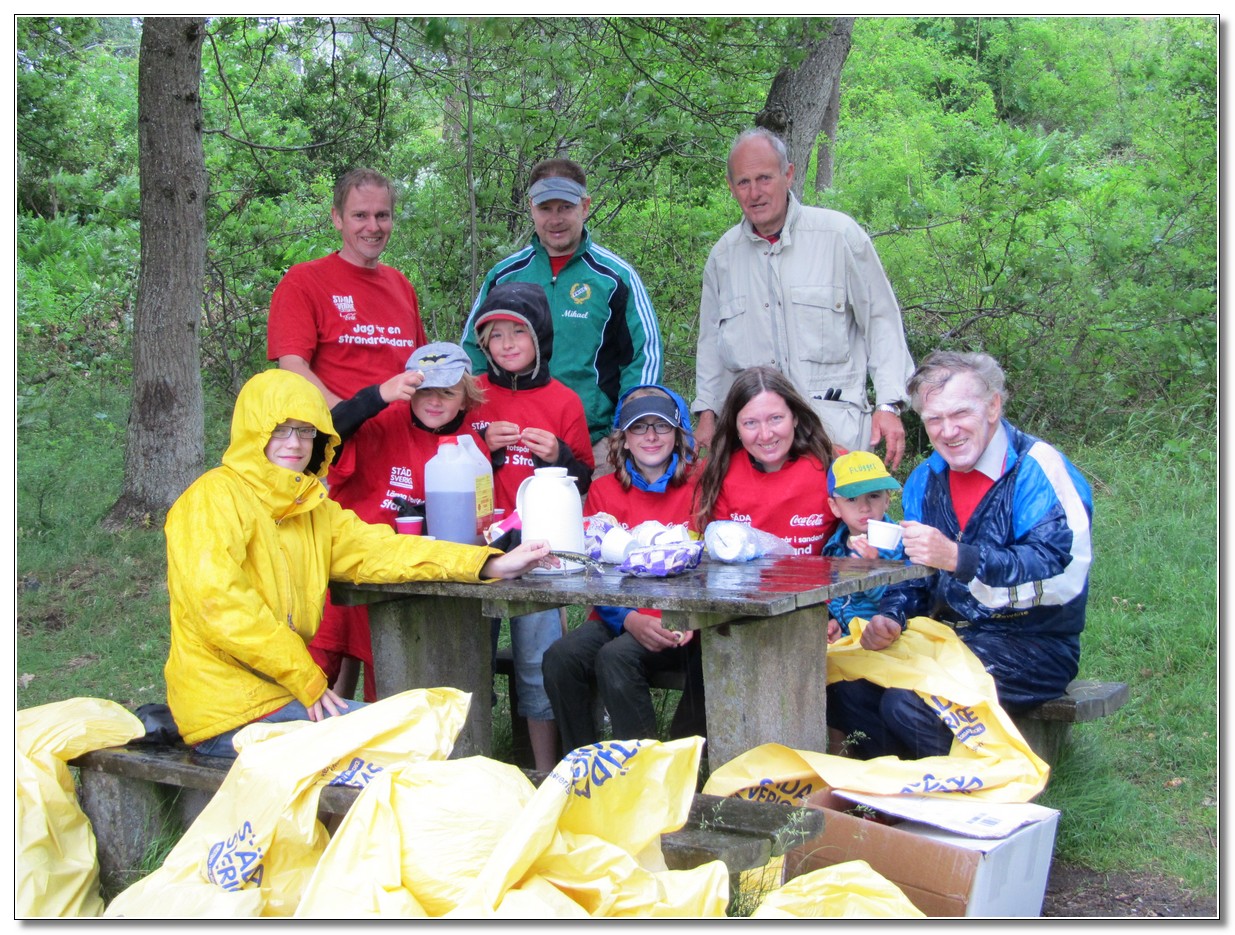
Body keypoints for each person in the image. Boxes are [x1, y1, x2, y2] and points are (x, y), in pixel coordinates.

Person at [163, 368, 554, 758]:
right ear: (253, 432)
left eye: (306, 430)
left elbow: (385, 550)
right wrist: (306, 677)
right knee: (405, 749)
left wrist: (487, 563)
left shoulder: (312, 510)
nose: (295, 443)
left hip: (283, 697)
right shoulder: (211, 499)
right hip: (228, 712)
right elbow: (222, 606)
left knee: (426, 736)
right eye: (280, 429)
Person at [826, 351, 1094, 760]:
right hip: (947, 636)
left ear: (993, 406)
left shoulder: (1039, 468)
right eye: (934, 420)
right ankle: (895, 796)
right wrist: (891, 617)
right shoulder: (925, 479)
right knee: (845, 690)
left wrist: (960, 558)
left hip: (1035, 643)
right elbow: (914, 574)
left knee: (909, 704)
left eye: (960, 414)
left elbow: (1060, 574)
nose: (948, 431)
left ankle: (973, 796)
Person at [692, 128, 915, 470]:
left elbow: (881, 321)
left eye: (764, 178)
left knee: (845, 523)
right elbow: (711, 347)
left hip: (835, 437)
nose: (755, 193)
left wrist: (888, 404)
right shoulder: (723, 257)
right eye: (743, 182)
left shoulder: (839, 237)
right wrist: (708, 412)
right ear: (731, 186)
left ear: (789, 174)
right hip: (757, 447)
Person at [308, 343, 488, 703]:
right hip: (349, 567)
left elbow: (477, 522)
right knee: (313, 667)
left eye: (447, 393)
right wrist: (376, 396)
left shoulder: (471, 448)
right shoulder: (380, 422)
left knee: (392, 676)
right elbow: (321, 442)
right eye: (423, 391)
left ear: (465, 398)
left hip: (412, 579)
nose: (433, 402)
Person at [459, 158, 663, 469]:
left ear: (585, 205)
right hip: (510, 443)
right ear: (531, 208)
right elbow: (471, 353)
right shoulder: (505, 276)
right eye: (546, 208)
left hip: (595, 445)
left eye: (565, 207)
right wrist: (478, 423)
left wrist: (626, 428)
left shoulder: (614, 278)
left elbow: (644, 357)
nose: (555, 219)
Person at [466, 281, 595, 771]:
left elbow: (583, 478)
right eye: (495, 336)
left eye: (516, 332)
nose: (506, 344)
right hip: (482, 547)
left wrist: (558, 456)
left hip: (543, 551)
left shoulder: (564, 401)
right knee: (466, 658)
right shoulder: (474, 396)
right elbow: (449, 461)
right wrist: (484, 444)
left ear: (538, 336)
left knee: (540, 662)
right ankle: (471, 764)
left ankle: (543, 772)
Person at [543, 385, 706, 754]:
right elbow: (590, 569)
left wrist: (687, 619)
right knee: (560, 657)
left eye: (661, 426)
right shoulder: (603, 492)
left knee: (616, 658)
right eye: (639, 427)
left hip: (682, 623)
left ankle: (645, 772)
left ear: (678, 436)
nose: (651, 436)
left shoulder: (700, 488)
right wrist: (628, 618)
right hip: (617, 616)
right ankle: (581, 765)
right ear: (624, 440)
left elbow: (709, 566)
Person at [267, 167, 428, 408]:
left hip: (406, 441)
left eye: (382, 215)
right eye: (360, 215)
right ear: (337, 218)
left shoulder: (401, 285)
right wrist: (345, 417)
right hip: (341, 439)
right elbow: (293, 368)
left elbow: (422, 367)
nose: (373, 227)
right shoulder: (303, 281)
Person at [694, 366, 842, 554]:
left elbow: (868, 531)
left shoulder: (834, 464)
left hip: (821, 582)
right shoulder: (718, 471)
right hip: (743, 582)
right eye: (750, 423)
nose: (765, 435)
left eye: (776, 418)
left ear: (794, 417)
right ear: (736, 427)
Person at [823, 450, 908, 643]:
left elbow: (900, 602)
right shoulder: (834, 547)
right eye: (851, 499)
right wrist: (834, 621)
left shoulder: (897, 543)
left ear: (887, 500)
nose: (864, 507)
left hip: (884, 640)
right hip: (848, 639)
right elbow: (836, 598)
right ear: (834, 506)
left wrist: (873, 570)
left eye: (874, 496)